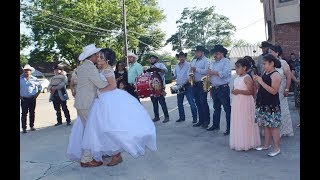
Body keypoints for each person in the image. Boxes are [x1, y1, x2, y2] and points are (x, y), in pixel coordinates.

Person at [67, 48, 157, 166]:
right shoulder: (98, 69)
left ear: (107, 60)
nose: (98, 59)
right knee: (101, 129)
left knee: (111, 128)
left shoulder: (107, 70)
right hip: (99, 101)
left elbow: (113, 86)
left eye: (101, 57)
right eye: (98, 56)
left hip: (107, 100)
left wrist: (100, 91)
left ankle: (116, 155)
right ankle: (106, 152)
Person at [71, 44, 109, 167]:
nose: (98, 57)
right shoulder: (90, 68)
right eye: (96, 55)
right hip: (87, 103)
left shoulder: (81, 67)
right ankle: (86, 159)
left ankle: (96, 152)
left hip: (81, 102)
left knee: (89, 130)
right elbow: (100, 84)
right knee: (90, 131)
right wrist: (111, 81)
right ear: (91, 56)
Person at [253, 54, 282, 157]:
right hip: (263, 103)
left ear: (272, 63)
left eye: (265, 64)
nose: (263, 66)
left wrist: (261, 81)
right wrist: (257, 81)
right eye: (263, 64)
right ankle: (266, 145)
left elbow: (274, 91)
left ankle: (277, 148)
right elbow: (261, 87)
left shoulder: (276, 75)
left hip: (272, 104)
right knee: (266, 125)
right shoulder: (266, 72)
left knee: (274, 127)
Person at [229, 58, 261, 151]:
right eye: (235, 67)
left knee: (245, 121)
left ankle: (248, 142)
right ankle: (239, 141)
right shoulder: (237, 77)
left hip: (245, 102)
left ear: (244, 68)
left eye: (238, 67)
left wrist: (239, 91)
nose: (236, 69)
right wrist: (234, 91)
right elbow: (236, 88)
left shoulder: (247, 78)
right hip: (237, 102)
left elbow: (251, 92)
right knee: (238, 121)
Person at [206, 45, 232, 135]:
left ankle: (229, 128)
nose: (215, 55)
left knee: (227, 109)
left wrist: (212, 72)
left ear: (222, 53)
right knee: (216, 108)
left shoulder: (226, 62)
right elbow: (210, 74)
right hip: (214, 88)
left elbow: (225, 74)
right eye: (214, 53)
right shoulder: (212, 63)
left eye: (217, 53)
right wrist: (209, 79)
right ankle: (215, 125)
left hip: (223, 88)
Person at [269, 45, 294, 137]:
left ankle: (283, 130)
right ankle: (273, 130)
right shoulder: (269, 63)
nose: (270, 53)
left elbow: (288, 76)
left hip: (281, 90)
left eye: (271, 52)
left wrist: (287, 88)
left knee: (282, 109)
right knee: (272, 110)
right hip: (270, 90)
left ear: (277, 53)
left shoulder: (283, 63)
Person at [172, 51, 198, 123]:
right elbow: (175, 75)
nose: (181, 58)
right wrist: (172, 77)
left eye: (183, 57)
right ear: (178, 58)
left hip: (187, 86)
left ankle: (195, 118)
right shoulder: (176, 66)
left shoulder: (189, 65)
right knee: (179, 103)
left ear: (185, 57)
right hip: (179, 86)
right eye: (180, 57)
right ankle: (182, 117)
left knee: (191, 102)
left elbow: (189, 76)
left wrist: (185, 83)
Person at [190, 45, 210, 128]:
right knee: (198, 103)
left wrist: (196, 69)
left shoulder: (207, 61)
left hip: (203, 83)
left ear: (202, 52)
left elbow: (207, 71)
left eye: (197, 52)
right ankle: (201, 120)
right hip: (195, 83)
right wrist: (191, 75)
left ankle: (206, 121)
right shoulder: (194, 61)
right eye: (196, 52)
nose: (196, 53)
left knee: (203, 102)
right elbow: (191, 70)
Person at [20, 64, 42, 133]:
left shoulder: (34, 79)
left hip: (32, 98)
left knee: (32, 112)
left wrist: (36, 95)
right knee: (24, 114)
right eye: (25, 70)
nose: (26, 71)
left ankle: (32, 126)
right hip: (24, 99)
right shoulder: (20, 79)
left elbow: (40, 88)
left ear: (30, 71)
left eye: (27, 70)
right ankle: (24, 128)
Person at [148, 55, 170, 123]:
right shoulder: (150, 67)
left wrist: (159, 70)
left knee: (162, 102)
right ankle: (156, 117)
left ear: (156, 59)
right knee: (154, 103)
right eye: (150, 58)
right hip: (152, 87)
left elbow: (166, 71)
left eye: (153, 58)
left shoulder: (160, 64)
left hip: (160, 87)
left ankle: (167, 117)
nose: (151, 60)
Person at [291, 55, 300, 127]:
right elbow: (291, 74)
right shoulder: (296, 63)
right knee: (299, 105)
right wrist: (296, 80)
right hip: (298, 87)